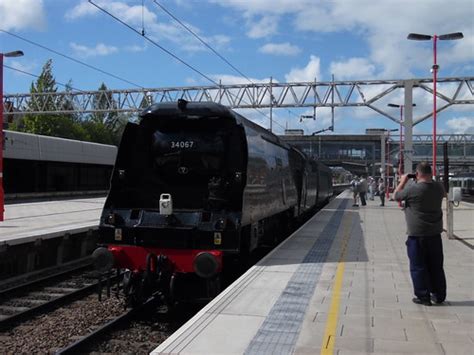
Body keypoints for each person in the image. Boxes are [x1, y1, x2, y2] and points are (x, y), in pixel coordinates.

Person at [394, 162, 446, 306]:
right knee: (436, 266)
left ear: (417, 174)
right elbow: (434, 186)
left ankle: (423, 296)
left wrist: (403, 181)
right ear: (430, 173)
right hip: (435, 235)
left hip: (417, 235)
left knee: (418, 266)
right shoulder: (439, 187)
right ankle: (439, 295)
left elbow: (396, 196)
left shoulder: (413, 189)